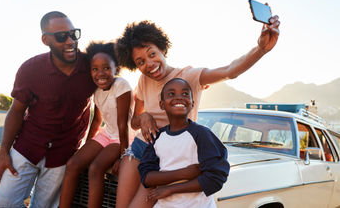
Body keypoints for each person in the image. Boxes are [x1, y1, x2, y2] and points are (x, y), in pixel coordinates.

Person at [114, 14, 280, 207]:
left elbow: (230, 70)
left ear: (162, 49)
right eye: (140, 62)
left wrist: (261, 49)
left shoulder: (189, 76)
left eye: (152, 54)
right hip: (140, 148)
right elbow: (134, 121)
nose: (149, 64)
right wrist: (143, 117)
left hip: (168, 157)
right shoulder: (144, 80)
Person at [0, 11, 96, 208]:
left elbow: (101, 108)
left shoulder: (91, 67)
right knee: (2, 203)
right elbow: (16, 111)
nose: (69, 41)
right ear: (45, 39)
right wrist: (4, 152)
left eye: (73, 34)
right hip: (27, 147)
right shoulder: (30, 69)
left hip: (64, 152)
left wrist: (87, 148)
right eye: (61, 36)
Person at [59, 42, 133, 208]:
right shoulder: (96, 90)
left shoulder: (121, 86)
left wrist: (123, 157)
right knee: (72, 164)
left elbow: (123, 125)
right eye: (95, 69)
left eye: (106, 68)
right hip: (107, 133)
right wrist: (87, 146)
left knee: (95, 168)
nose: (100, 73)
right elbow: (97, 119)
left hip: (123, 138)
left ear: (116, 68)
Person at [138, 78, 230, 208]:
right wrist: (183, 173)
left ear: (192, 103)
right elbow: (146, 177)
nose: (179, 97)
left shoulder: (202, 134)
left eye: (185, 94)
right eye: (171, 94)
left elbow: (215, 178)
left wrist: (171, 189)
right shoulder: (157, 137)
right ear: (161, 104)